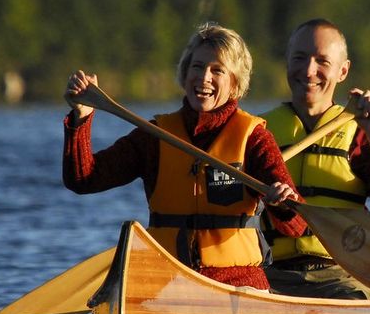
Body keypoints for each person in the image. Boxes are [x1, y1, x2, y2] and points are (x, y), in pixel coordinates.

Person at [62, 22, 305, 290]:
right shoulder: (154, 135)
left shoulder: (254, 138)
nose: (204, 78)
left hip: (237, 284)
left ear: (235, 83)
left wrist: (282, 203)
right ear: (185, 73)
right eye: (197, 67)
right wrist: (81, 118)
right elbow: (84, 179)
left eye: (217, 70)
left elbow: (296, 226)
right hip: (167, 280)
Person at [260, 18, 370, 299]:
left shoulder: (360, 133)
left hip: (341, 275)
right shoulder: (259, 132)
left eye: (322, 61)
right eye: (299, 58)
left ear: (343, 71)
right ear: (286, 62)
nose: (309, 71)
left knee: (349, 297)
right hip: (272, 273)